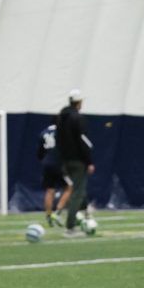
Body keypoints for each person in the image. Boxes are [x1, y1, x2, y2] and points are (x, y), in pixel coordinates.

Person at [55, 91, 95, 233]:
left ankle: (86, 211)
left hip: (64, 160)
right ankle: (70, 225)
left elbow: (58, 140)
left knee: (77, 188)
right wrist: (89, 161)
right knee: (77, 192)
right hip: (78, 160)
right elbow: (83, 141)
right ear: (79, 102)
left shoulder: (60, 117)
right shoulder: (78, 118)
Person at [38, 119, 67, 221]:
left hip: (47, 163)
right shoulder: (62, 131)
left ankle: (48, 215)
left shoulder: (43, 133)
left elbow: (40, 152)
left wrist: (43, 160)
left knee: (50, 190)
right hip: (59, 163)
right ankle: (58, 212)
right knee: (70, 187)